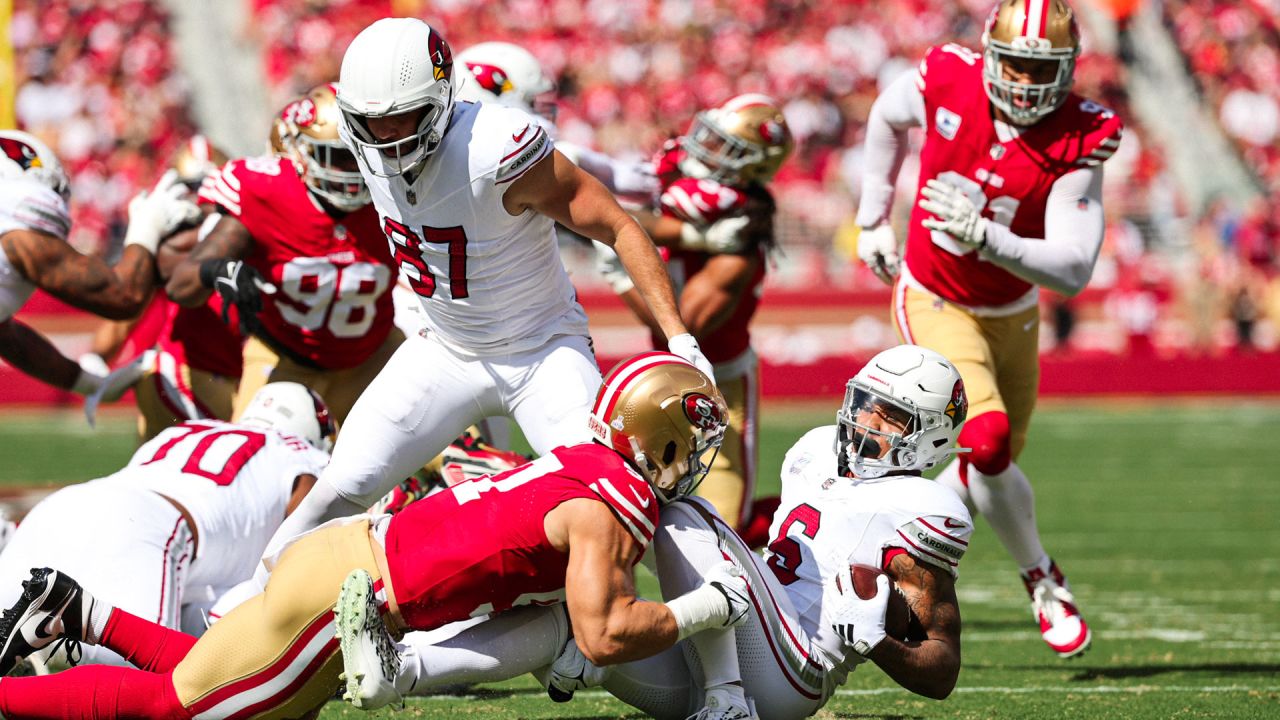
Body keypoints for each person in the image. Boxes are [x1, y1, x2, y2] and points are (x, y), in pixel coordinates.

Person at [0, 353, 747, 720]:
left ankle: (81, 614)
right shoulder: (612, 497)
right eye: (697, 435)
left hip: (338, 554)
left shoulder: (581, 462)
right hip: (350, 600)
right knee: (185, 710)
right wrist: (709, 606)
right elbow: (605, 633)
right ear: (663, 435)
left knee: (202, 673)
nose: (703, 455)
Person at [332, 345, 972, 720]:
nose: (864, 423)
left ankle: (726, 704)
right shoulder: (812, 450)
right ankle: (402, 668)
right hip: (725, 638)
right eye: (863, 404)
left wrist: (876, 641)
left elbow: (939, 670)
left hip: (791, 670)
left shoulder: (923, 506)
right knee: (574, 611)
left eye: (888, 418)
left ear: (932, 437)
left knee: (675, 509)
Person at [267, 18, 711, 556]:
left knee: (613, 503)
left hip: (542, 352)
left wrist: (679, 339)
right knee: (338, 492)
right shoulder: (353, 142)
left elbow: (617, 224)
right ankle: (237, 617)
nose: (385, 136)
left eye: (403, 118)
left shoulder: (497, 150)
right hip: (444, 348)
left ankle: (694, 618)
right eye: (371, 122)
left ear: (439, 100)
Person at [853, 0, 1120, 658]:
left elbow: (1074, 268)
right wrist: (871, 216)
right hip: (935, 294)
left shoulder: (1082, 131)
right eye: (1016, 65)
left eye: (1041, 68)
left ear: (1066, 70)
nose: (1027, 82)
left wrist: (985, 236)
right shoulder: (948, 76)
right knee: (989, 439)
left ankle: (886, 541)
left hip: (1014, 311)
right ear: (991, 57)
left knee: (986, 466)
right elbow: (888, 115)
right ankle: (1042, 577)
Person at [0, 382, 332, 670]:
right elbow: (305, 549)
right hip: (152, 528)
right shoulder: (306, 458)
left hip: (64, 508)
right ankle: (43, 653)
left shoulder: (187, 429)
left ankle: (35, 640)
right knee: (160, 683)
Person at [167, 83, 402, 427]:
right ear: (300, 155)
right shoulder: (267, 195)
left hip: (375, 359)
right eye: (337, 156)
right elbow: (181, 285)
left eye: (359, 154)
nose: (351, 171)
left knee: (450, 454)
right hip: (285, 361)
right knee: (257, 464)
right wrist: (217, 270)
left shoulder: (394, 193)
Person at [619, 94, 792, 537]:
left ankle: (807, 522)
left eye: (724, 147)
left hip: (719, 387)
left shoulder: (740, 243)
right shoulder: (689, 202)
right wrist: (687, 233)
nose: (704, 151)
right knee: (628, 505)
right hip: (661, 380)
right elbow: (624, 215)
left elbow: (681, 328)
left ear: (750, 166)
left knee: (722, 530)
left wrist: (620, 277)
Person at [0, 130, 199, 406]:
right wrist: (147, 226)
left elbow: (7, 335)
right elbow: (121, 297)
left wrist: (87, 382)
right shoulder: (16, 218)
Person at [79, 136, 243, 441]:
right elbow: (127, 305)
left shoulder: (247, 231)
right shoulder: (166, 243)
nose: (199, 199)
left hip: (245, 379)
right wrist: (96, 362)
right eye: (191, 187)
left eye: (206, 186)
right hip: (188, 373)